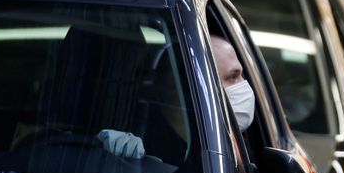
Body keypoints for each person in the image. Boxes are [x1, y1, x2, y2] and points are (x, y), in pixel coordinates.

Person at [97, 35, 255, 159]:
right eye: (233, 77)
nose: (244, 85)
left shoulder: (234, 141)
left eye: (241, 75)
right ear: (189, 86)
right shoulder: (137, 143)